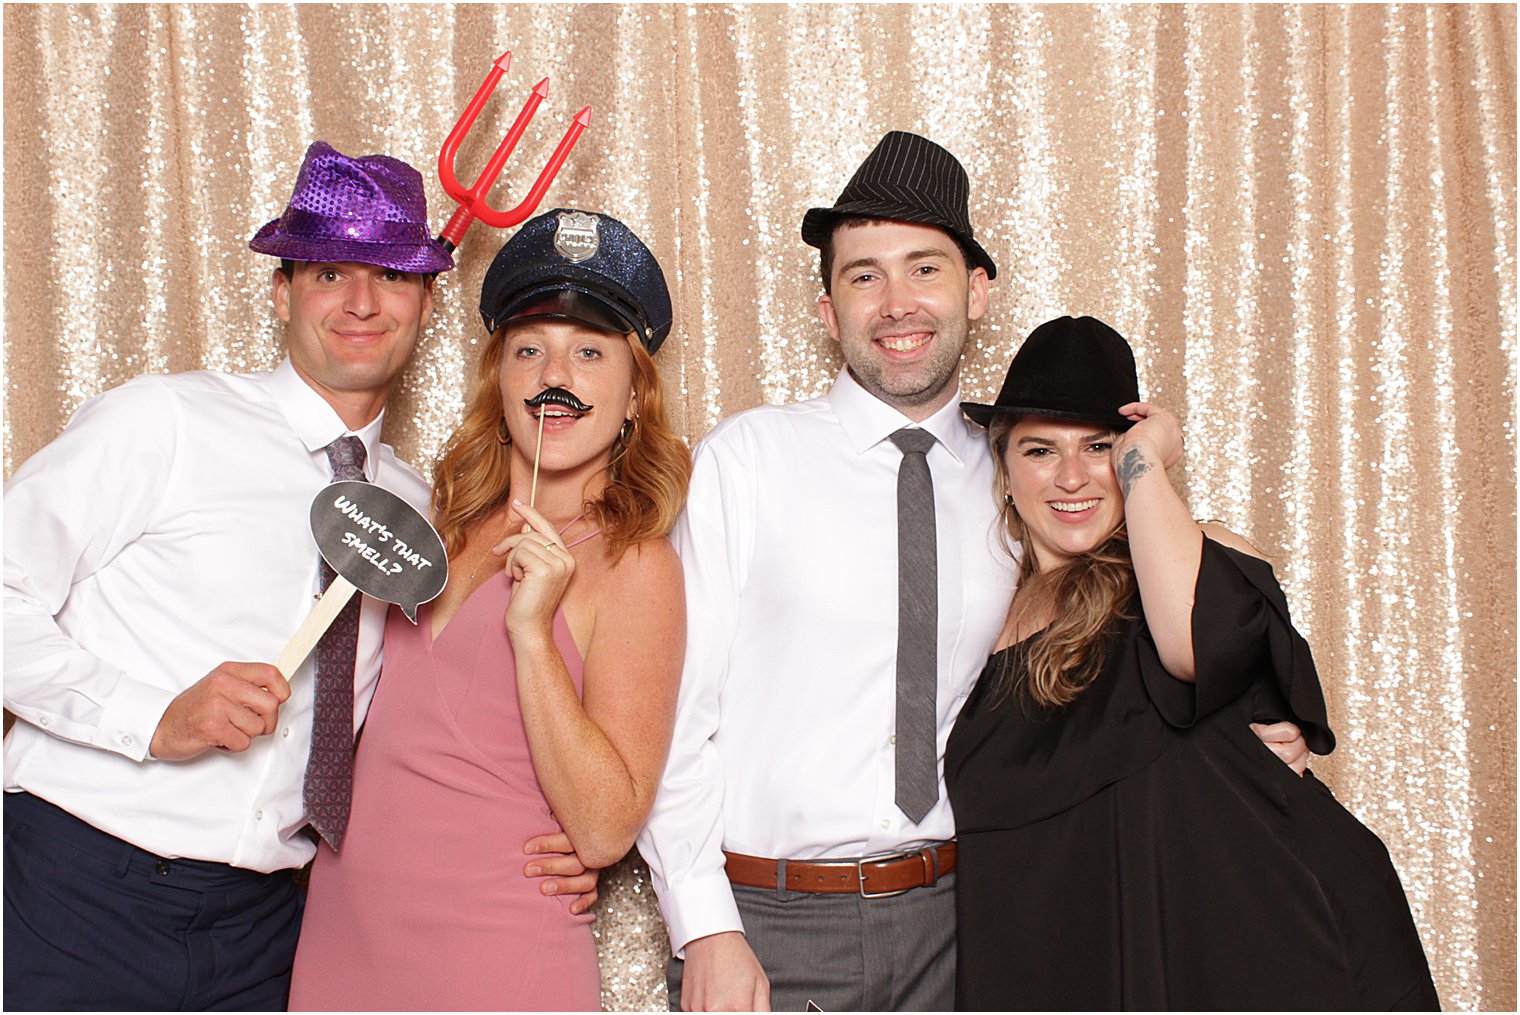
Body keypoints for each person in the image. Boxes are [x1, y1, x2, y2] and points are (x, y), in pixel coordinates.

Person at [637, 131, 1314, 1013]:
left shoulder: (1024, 482)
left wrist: (1245, 725)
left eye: (925, 267)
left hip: (974, 922)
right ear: (826, 308)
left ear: (978, 290)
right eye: (863, 275)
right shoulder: (748, 458)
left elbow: (1124, 639)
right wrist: (705, 926)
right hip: (774, 923)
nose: (896, 302)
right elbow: (674, 716)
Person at [2, 142, 592, 1012]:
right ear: (281, 291)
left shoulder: (419, 512)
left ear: (428, 304)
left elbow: (413, 728)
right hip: (82, 884)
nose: (361, 302)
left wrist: (540, 839)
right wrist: (151, 717)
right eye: (328, 273)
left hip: (270, 929)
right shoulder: (165, 422)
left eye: (391, 277)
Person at [946, 315, 1439, 1010]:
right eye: (1039, 450)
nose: (1072, 477)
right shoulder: (986, 613)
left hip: (1264, 957)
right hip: (1065, 968)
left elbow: (1189, 648)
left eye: (1100, 446)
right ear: (1003, 466)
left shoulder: (1194, 558)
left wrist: (1147, 456)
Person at [288, 208, 691, 1010]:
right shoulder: (437, 524)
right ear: (499, 377)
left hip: (493, 949)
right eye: (529, 349)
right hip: (342, 931)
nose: (555, 376)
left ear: (633, 393)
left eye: (588, 353)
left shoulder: (634, 563)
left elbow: (608, 828)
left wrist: (533, 634)